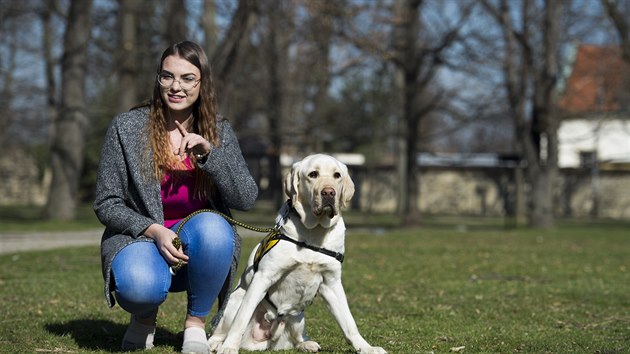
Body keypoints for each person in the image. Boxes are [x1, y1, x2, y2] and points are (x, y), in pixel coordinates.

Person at [93, 40, 258, 353]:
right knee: (139, 287)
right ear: (158, 78)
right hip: (140, 240)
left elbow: (246, 198)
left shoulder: (219, 130)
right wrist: (154, 230)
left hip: (200, 251)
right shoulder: (126, 127)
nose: (175, 86)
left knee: (213, 227)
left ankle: (195, 324)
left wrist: (212, 156)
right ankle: (144, 318)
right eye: (167, 76)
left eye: (187, 78)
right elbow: (106, 202)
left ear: (202, 83)